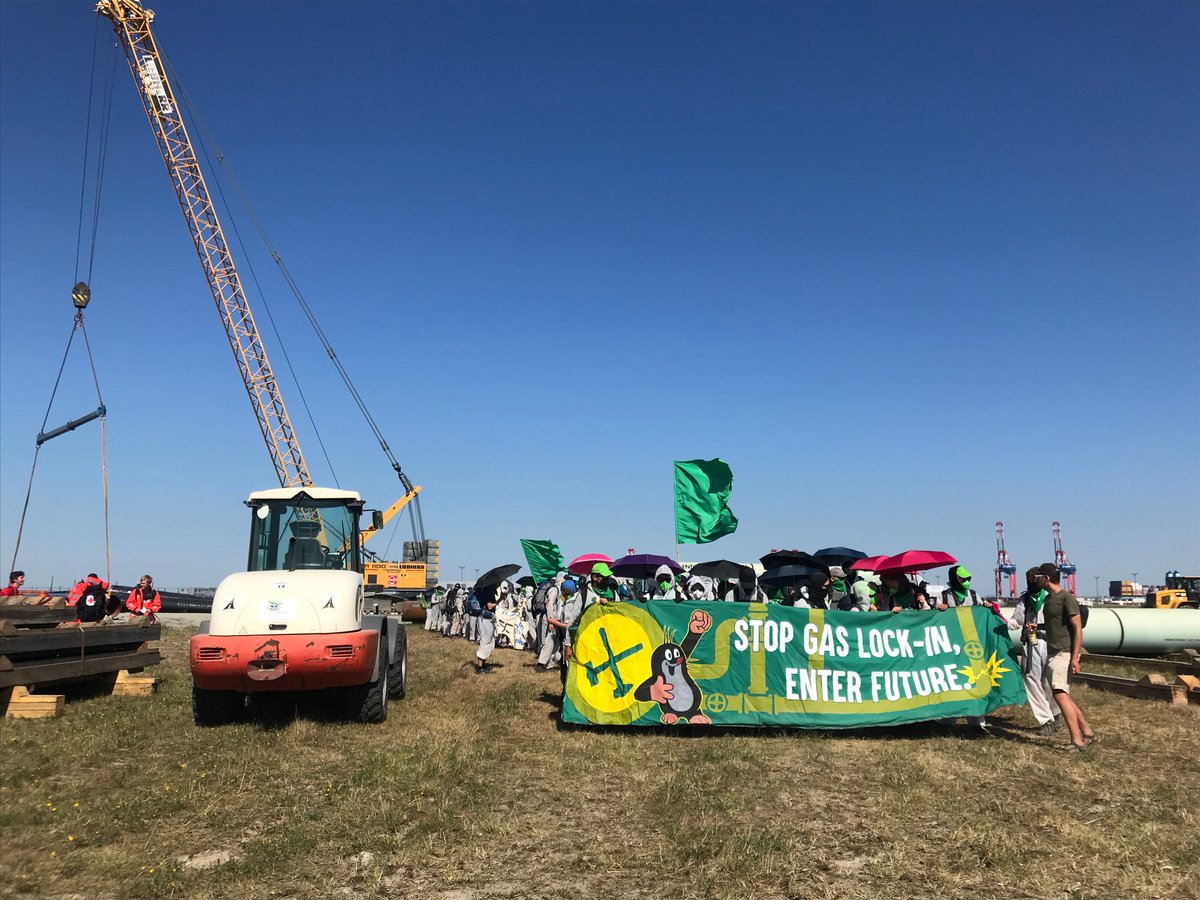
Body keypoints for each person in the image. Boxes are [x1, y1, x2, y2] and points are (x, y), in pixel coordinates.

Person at [1037, 562, 1096, 752]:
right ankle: (1087, 732)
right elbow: (1055, 625)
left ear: (1046, 578)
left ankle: (1077, 741)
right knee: (1063, 695)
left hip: (1063, 652)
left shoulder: (1066, 598)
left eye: (1039, 577)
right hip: (1053, 652)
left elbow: (1077, 628)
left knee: (1060, 695)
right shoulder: (1049, 599)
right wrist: (1037, 628)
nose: (1036, 580)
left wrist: (1075, 657)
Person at [1010, 566, 1062, 736]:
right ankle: (1046, 719)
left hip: (1051, 642)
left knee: (1050, 681)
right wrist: (996, 618)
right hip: (1032, 643)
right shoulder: (1025, 599)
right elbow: (1016, 620)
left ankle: (1055, 714)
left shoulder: (1051, 597)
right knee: (1032, 680)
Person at [547, 579, 584, 688]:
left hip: (570, 640)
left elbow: (569, 625)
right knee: (564, 668)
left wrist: (555, 622)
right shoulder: (568, 600)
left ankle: (567, 692)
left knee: (568, 669)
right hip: (565, 639)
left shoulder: (572, 604)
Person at [473, 583, 499, 674]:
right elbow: (490, 606)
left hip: (485, 619)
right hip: (485, 620)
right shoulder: (489, 592)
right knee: (485, 642)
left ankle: (482, 665)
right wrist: (499, 601)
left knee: (487, 642)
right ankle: (480, 667)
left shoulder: (487, 591)